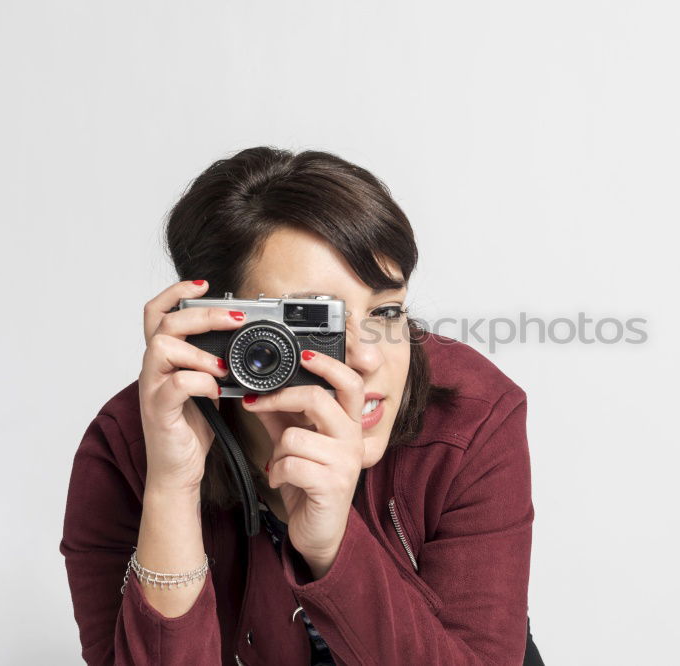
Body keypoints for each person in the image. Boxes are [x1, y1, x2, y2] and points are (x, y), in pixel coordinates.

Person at [59, 147, 544, 665]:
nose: (364, 357)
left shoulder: (472, 415)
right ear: (216, 324)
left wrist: (335, 548)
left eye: (386, 311)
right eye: (313, 321)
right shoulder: (127, 446)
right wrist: (173, 488)